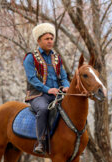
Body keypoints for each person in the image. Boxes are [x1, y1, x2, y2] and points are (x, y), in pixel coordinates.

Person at [23, 23, 70, 154]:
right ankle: (40, 142)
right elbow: (32, 79)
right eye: (46, 39)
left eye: (51, 38)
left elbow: (64, 77)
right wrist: (48, 90)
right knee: (43, 109)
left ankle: (76, 141)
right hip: (38, 95)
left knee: (74, 108)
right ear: (39, 40)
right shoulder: (30, 58)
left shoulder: (57, 58)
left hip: (57, 95)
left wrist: (66, 86)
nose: (50, 41)